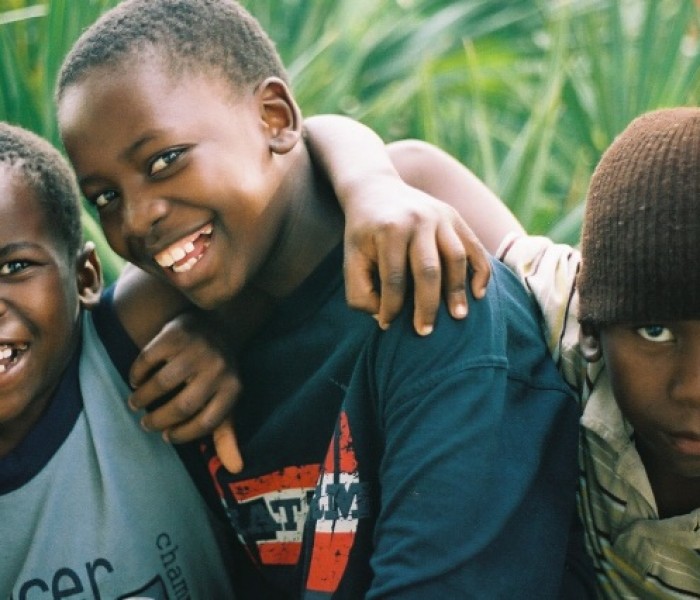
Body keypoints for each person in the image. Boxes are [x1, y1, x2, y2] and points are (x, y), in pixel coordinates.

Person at [54, 0, 581, 597]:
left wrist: (370, 181)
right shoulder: (173, 333)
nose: (137, 219)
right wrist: (218, 331)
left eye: (165, 160)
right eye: (103, 198)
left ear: (275, 119)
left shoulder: (429, 286)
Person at [304, 107, 700, 597]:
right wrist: (370, 187)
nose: (692, 389)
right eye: (656, 332)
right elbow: (411, 165)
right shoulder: (566, 314)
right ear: (592, 325)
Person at [0, 121, 237, 596]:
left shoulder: (126, 343)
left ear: (85, 277)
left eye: (14, 267)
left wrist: (230, 327)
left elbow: (297, 171)